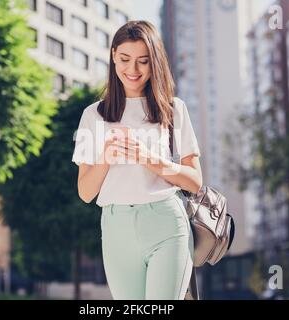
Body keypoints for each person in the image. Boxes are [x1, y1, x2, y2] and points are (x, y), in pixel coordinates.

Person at [71, 20, 202, 300]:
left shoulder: (173, 109)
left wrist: (151, 160)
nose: (133, 70)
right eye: (125, 60)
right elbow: (85, 192)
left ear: (154, 61)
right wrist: (105, 157)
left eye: (143, 61)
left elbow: (195, 180)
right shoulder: (92, 116)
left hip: (166, 223)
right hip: (117, 227)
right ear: (113, 56)